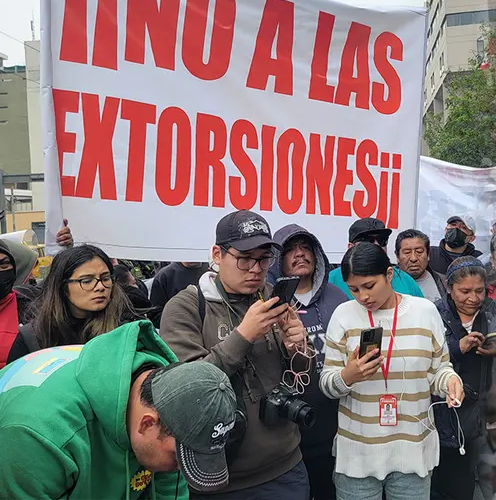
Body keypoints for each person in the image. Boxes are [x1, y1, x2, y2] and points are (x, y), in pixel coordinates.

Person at [160, 210, 312, 498]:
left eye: (264, 259)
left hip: (286, 466)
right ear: (217, 255)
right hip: (222, 476)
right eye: (245, 258)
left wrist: (298, 346)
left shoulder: (271, 295)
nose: (255, 269)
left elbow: (301, 372)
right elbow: (189, 393)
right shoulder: (186, 307)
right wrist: (243, 335)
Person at [0, 323, 238, 498]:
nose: (180, 467)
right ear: (147, 423)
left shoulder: (170, 406)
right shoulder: (38, 435)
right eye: (178, 458)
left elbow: (169, 489)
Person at [319, 242, 463, 500]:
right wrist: (348, 375)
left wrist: (450, 380)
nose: (363, 297)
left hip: (413, 450)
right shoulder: (344, 315)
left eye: (369, 286)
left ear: (388, 274)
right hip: (358, 455)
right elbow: (327, 384)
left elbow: (439, 370)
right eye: (354, 289)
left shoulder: (425, 312)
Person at [267, 224, 349, 500]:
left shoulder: (338, 298)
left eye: (306, 248)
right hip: (286, 428)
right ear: (278, 258)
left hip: (333, 420)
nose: (300, 254)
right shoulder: (268, 303)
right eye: (291, 249)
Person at [433, 257, 496, 500]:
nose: (473, 299)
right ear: (449, 288)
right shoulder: (434, 313)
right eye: (464, 291)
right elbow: (424, 358)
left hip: (488, 410)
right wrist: (457, 347)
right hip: (447, 412)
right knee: (452, 484)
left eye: (479, 291)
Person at [6, 244, 137, 363]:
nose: (100, 287)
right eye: (86, 281)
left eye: (105, 278)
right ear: (62, 287)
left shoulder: (129, 330)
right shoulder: (32, 338)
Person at [328, 218, 423, 299]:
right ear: (350, 247)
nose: (376, 245)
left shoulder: (405, 280)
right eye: (368, 241)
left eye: (382, 240)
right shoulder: (332, 280)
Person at [396, 229, 447, 302]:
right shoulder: (387, 283)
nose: (413, 258)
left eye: (419, 252)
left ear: (428, 255)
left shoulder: (444, 282)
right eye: (407, 252)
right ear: (397, 256)